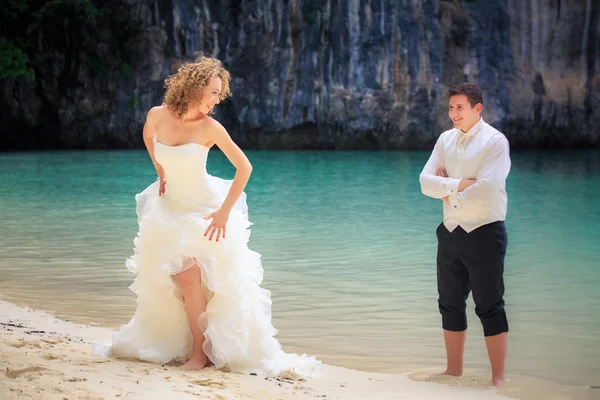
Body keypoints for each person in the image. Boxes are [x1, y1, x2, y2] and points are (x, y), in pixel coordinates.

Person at [96, 57, 320, 379]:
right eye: (213, 92)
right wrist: (160, 170)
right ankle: (193, 346)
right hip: (169, 207)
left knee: (192, 278)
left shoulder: (210, 127)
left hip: (202, 208)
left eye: (219, 94)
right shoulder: (157, 115)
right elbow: (149, 138)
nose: (217, 100)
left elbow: (245, 168)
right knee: (179, 282)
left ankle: (201, 354)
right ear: (195, 86)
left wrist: (224, 212)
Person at [419, 82, 511, 388]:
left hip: (485, 233)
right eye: (450, 107)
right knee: (449, 302)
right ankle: (453, 370)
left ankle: (498, 377)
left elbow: (488, 189)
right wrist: (460, 185)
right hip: (449, 233)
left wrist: (446, 189)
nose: (454, 113)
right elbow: (424, 182)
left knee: (490, 305)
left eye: (460, 107)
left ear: (477, 109)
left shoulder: (495, 142)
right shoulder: (445, 140)